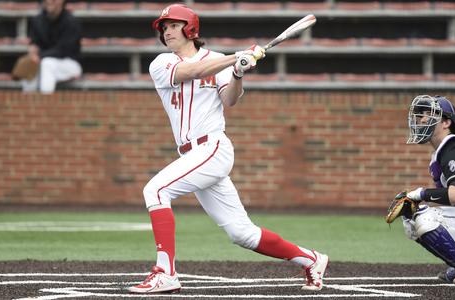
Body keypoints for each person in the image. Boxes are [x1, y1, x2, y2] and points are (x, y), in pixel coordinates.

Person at [128, 3, 329, 294]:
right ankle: (312, 259)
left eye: (172, 25)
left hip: (212, 147)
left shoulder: (219, 61)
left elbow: (230, 100)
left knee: (156, 190)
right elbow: (194, 71)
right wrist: (237, 57)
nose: (166, 31)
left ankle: (165, 272)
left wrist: (238, 72)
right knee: (241, 233)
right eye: (164, 27)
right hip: (191, 154)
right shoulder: (161, 63)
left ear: (190, 28)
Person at [399, 94, 455, 284]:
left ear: (445, 123)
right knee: (411, 217)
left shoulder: (454, 148)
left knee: (424, 218)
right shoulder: (443, 150)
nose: (420, 119)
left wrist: (422, 194)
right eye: (420, 115)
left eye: (428, 114)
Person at [21, 0, 82, 94]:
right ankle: (27, 104)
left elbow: (62, 51)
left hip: (70, 64)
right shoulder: (37, 20)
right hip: (42, 62)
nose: (50, 1)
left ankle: (45, 104)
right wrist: (32, 53)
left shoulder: (71, 21)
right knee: (31, 64)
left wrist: (39, 56)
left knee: (48, 63)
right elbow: (34, 43)